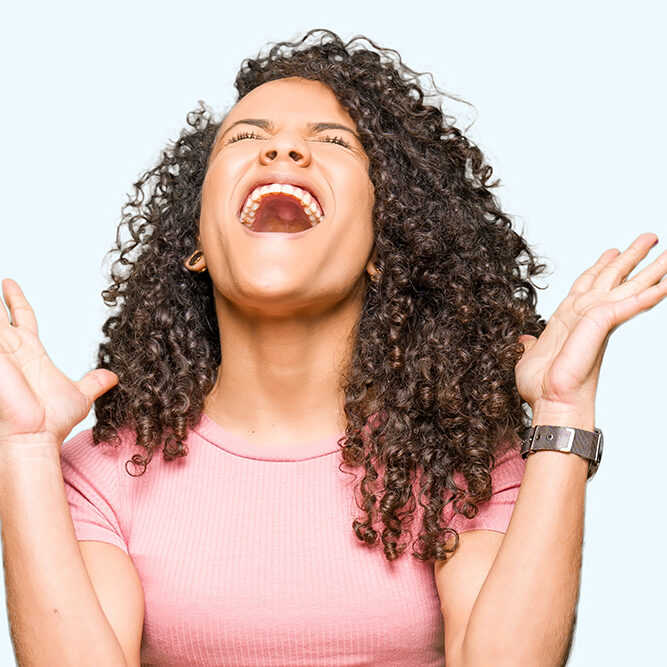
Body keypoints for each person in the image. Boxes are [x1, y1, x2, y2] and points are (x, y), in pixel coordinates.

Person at [1, 29, 665, 667]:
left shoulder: (459, 460)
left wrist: (560, 410)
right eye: (247, 137)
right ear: (196, 246)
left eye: (329, 142)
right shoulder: (100, 472)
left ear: (382, 248)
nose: (284, 152)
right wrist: (25, 448)